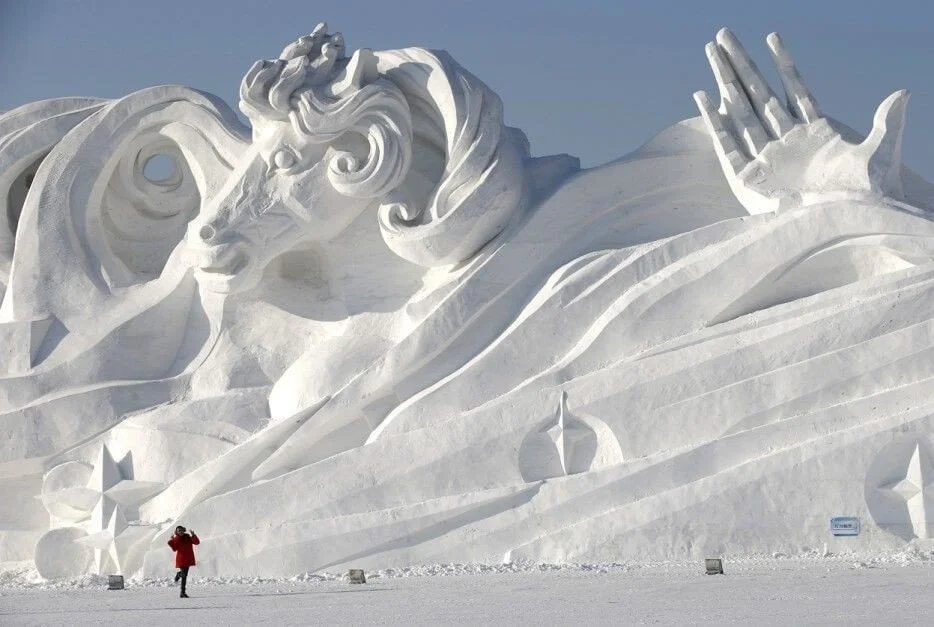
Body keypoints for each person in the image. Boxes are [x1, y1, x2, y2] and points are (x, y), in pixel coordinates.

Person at [167, 525, 200, 598]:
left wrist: (193, 535)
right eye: (179, 531)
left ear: (183, 530)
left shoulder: (187, 536)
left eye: (181, 530)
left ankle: (179, 574)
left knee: (184, 575)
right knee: (184, 576)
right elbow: (174, 549)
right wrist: (172, 541)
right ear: (177, 532)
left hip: (188, 558)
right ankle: (182, 592)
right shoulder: (176, 539)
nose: (180, 532)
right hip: (181, 559)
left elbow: (197, 542)